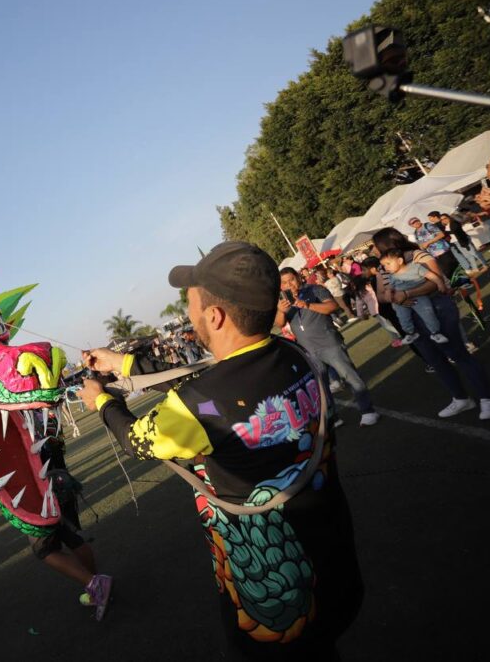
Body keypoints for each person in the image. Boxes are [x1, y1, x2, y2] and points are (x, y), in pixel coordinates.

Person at [80, 242, 363, 658]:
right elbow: (208, 388)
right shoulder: (293, 353)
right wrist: (121, 364)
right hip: (336, 562)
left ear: (214, 316)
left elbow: (137, 439)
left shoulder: (199, 404)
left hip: (277, 600)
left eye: (191, 301)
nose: (189, 311)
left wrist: (102, 401)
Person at [371, 228, 490, 420]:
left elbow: (435, 282)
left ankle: (488, 398)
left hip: (437, 309)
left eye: (375, 245)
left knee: (458, 354)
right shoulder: (383, 267)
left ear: (386, 244)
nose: (373, 250)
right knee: (435, 360)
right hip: (412, 317)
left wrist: (407, 294)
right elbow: (381, 294)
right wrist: (393, 297)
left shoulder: (418, 255)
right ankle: (460, 398)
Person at [277, 267, 380, 426]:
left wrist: (307, 305)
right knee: (321, 387)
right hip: (308, 350)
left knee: (350, 376)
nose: (289, 284)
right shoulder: (282, 301)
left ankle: (368, 411)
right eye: (284, 283)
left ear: (298, 277)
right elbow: (280, 323)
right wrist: (281, 311)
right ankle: (333, 417)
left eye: (291, 279)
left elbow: (332, 306)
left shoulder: (315, 289)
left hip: (329, 343)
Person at [29, 428, 112, 622]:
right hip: (62, 483)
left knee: (44, 549)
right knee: (71, 537)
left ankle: (95, 584)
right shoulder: (42, 416)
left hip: (42, 492)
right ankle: (96, 588)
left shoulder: (16, 421)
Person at [378, 249, 449, 345]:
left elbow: (431, 275)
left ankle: (436, 332)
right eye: (384, 265)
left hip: (418, 296)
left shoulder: (415, 267)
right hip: (400, 301)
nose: (386, 267)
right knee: (402, 317)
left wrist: (440, 283)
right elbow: (390, 286)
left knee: (428, 314)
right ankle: (410, 333)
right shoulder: (392, 276)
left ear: (400, 261)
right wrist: (388, 292)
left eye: (388, 264)